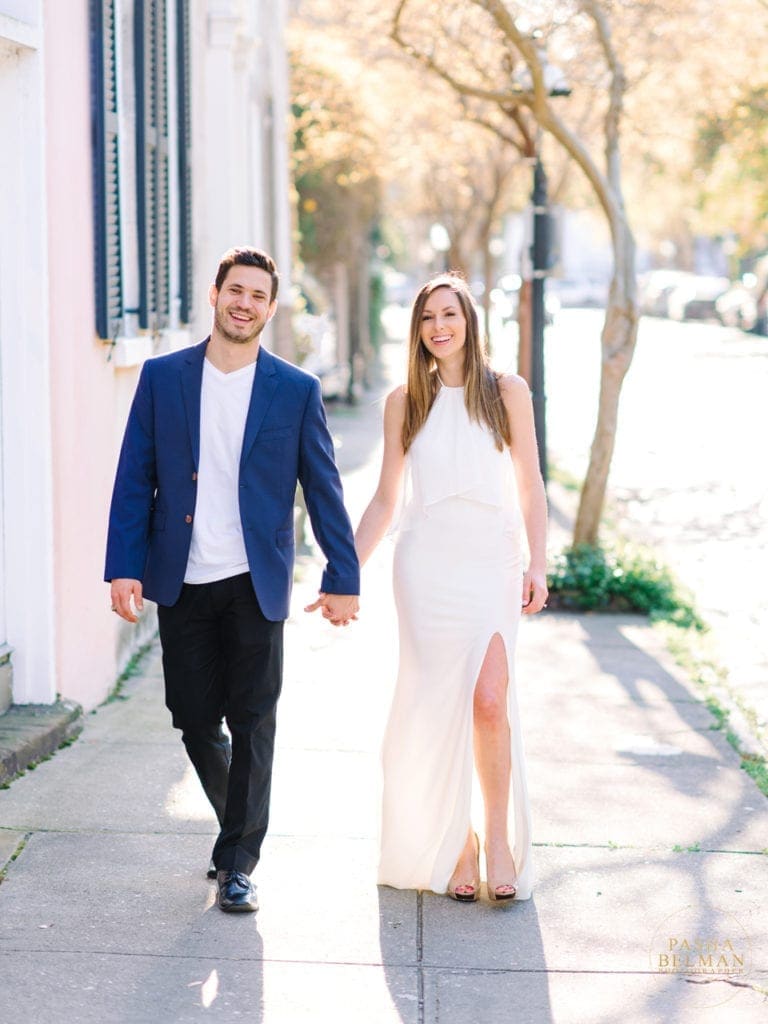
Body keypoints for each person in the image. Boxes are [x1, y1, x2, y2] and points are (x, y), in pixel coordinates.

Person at [105, 246, 359, 913]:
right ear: (215, 295)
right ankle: (235, 827)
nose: (244, 304)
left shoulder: (294, 390)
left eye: (257, 296)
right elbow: (136, 476)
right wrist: (124, 565)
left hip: (256, 578)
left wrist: (343, 573)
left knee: (252, 721)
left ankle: (239, 861)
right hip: (181, 576)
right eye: (235, 291)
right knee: (192, 717)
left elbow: (323, 488)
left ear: (270, 309)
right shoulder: (163, 379)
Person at [355, 273, 547, 902]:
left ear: (469, 321)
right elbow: (386, 499)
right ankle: (457, 842)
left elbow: (531, 487)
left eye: (450, 314)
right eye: (427, 318)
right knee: (437, 705)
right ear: (417, 331)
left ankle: (499, 836)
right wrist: (342, 571)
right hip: (425, 567)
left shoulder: (507, 392)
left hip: (491, 562)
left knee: (490, 699)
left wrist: (537, 563)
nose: (439, 327)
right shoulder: (403, 402)